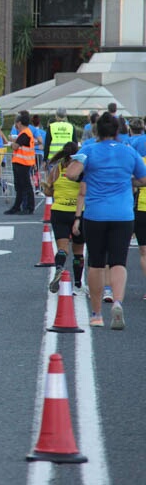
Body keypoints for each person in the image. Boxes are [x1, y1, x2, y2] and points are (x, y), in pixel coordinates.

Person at [66, 113, 146, 329]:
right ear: (119, 131)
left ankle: (96, 313)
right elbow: (144, 179)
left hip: (96, 214)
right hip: (123, 214)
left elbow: (71, 175)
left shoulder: (89, 150)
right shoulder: (129, 152)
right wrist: (128, 180)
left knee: (96, 263)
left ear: (96, 130)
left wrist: (82, 166)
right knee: (119, 262)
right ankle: (117, 302)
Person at [42, 142, 85, 293]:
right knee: (78, 250)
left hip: (59, 211)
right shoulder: (80, 169)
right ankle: (78, 284)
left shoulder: (56, 169)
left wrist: (46, 187)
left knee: (62, 248)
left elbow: (48, 193)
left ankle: (59, 268)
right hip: (78, 212)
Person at [5, 111, 36, 215]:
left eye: (16, 123)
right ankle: (17, 206)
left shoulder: (25, 134)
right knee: (19, 186)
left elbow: (15, 146)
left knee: (25, 186)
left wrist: (11, 143)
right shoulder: (24, 133)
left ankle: (29, 207)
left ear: (19, 123)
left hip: (23, 163)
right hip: (21, 162)